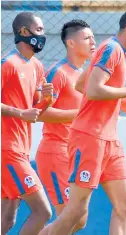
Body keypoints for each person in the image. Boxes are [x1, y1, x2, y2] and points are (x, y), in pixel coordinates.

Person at [39, 8, 126, 235]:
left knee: (125, 205)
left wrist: (119, 100)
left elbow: (81, 84)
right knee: (75, 212)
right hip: (90, 138)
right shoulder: (111, 49)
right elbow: (91, 89)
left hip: (110, 140)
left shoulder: (111, 50)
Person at [34, 19, 96, 234]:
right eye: (87, 38)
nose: (93, 42)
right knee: (68, 218)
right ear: (70, 43)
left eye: (93, 38)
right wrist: (79, 115)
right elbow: (39, 113)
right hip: (55, 152)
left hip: (76, 153)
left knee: (78, 220)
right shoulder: (58, 73)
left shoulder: (85, 75)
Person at [1, 12, 53, 235]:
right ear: (24, 32)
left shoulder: (37, 66)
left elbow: (35, 108)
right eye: (39, 30)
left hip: (21, 149)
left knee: (8, 218)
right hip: (8, 149)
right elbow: (24, 111)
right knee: (43, 212)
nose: (43, 35)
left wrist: (47, 100)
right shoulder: (7, 63)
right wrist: (20, 113)